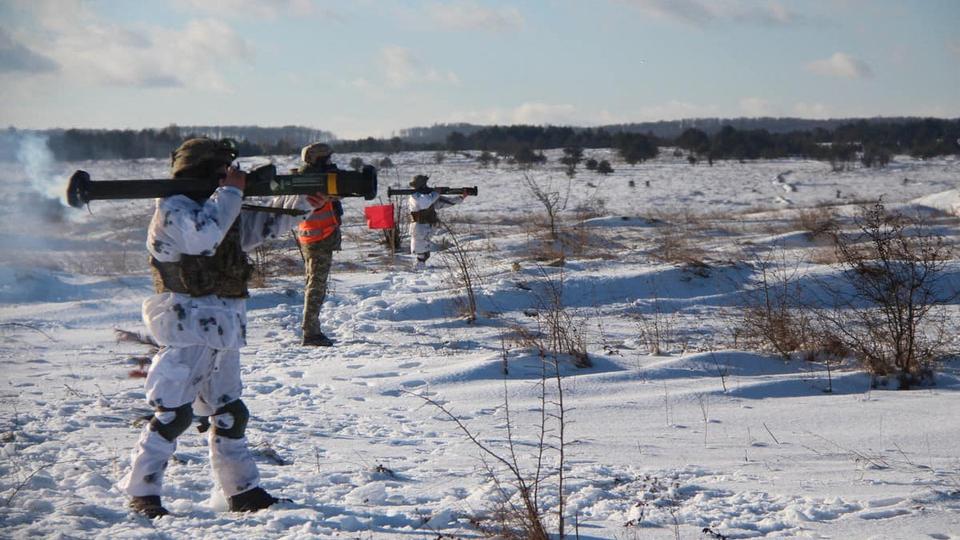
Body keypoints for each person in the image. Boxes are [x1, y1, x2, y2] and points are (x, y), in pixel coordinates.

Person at [120, 138, 316, 518]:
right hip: (187, 325)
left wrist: (304, 203)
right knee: (173, 414)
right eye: (221, 170)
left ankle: (242, 492)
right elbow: (204, 237)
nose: (228, 176)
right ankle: (142, 492)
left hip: (223, 325)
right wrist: (230, 192)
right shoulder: (174, 209)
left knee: (230, 413)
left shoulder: (216, 206)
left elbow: (258, 228)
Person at [295, 143, 343, 347]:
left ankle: (311, 330)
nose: (331, 162)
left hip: (315, 237)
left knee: (313, 284)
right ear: (319, 159)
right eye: (328, 158)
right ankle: (311, 332)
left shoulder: (309, 176)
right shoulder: (315, 180)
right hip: (319, 238)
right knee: (316, 286)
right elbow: (336, 194)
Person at [407, 174, 467, 269]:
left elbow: (443, 203)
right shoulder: (415, 196)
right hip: (419, 226)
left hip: (427, 226)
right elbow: (425, 203)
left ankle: (421, 267)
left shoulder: (428, 196)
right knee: (420, 250)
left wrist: (461, 197)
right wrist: (436, 193)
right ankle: (419, 268)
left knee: (425, 250)